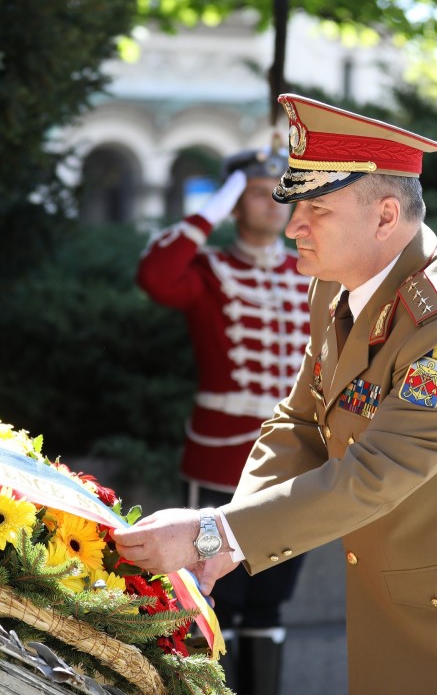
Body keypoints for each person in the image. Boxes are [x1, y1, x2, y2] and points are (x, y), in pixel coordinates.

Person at [115, 93, 437, 695]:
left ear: (385, 216)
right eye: (293, 204)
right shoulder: (335, 289)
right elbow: (300, 421)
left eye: (317, 209)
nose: (293, 225)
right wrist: (229, 540)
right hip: (406, 622)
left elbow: (375, 472)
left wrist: (214, 532)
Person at [136, 147, 310, 695]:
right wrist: (218, 200)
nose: (272, 202)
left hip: (295, 463)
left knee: (270, 601)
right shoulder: (210, 269)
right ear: (236, 202)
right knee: (212, 595)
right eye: (257, 191)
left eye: (279, 190)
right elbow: (157, 276)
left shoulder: (309, 271)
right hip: (220, 457)